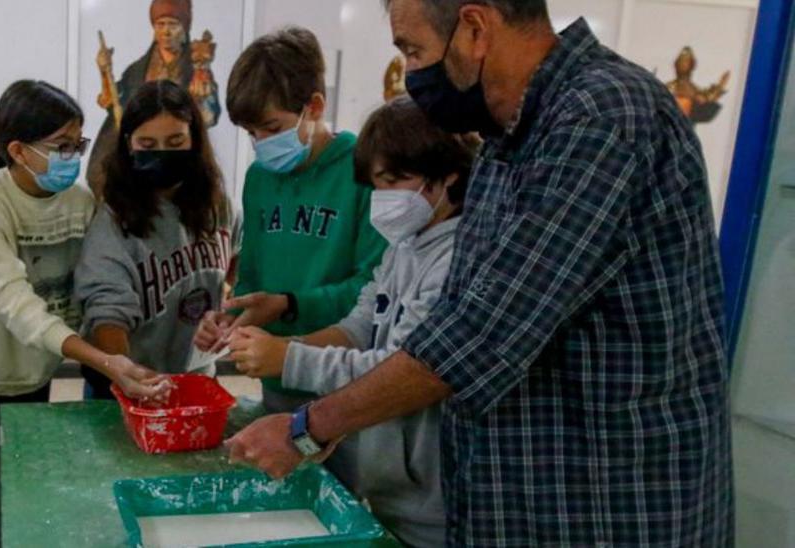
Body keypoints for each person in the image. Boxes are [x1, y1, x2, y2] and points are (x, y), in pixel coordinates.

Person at [226, 2, 732, 546]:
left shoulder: (602, 117)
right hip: (511, 500)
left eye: (413, 50)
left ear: (475, 27)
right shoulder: (506, 141)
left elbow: (476, 337)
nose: (413, 75)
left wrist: (307, 428)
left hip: (606, 503)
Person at [227, 98, 475, 547]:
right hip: (390, 486)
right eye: (377, 186)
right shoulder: (404, 245)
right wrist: (281, 348)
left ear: (448, 175)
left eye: (396, 181)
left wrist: (290, 359)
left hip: (439, 504)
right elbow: (361, 324)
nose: (385, 199)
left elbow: (398, 368)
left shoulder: (457, 261)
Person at [0, 80, 172, 406]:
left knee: (22, 454)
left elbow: (92, 282)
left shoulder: (80, 201)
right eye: (61, 146)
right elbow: (15, 304)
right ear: (17, 150)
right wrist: (105, 361)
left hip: (35, 367)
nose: (72, 157)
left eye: (76, 144)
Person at [194, 27, 388, 413]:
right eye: (251, 133)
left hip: (341, 373)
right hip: (276, 376)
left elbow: (374, 289)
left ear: (314, 107)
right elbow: (252, 277)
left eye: (272, 129)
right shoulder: (260, 178)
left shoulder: (365, 170)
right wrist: (227, 318)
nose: (262, 143)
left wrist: (289, 305)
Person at [75, 80, 239, 399]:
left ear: (194, 139)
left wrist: (226, 314)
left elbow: (238, 260)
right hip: (127, 384)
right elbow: (107, 312)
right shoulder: (114, 220)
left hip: (197, 378)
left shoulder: (219, 205)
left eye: (176, 141)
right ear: (128, 145)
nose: (163, 153)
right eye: (148, 145)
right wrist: (129, 376)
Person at [86, 0, 221, 195]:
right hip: (140, 159)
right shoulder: (136, 71)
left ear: (184, 27)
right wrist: (104, 71)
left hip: (179, 160)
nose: (166, 32)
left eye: (173, 25)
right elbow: (114, 104)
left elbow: (209, 116)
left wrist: (200, 100)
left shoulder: (196, 69)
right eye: (160, 24)